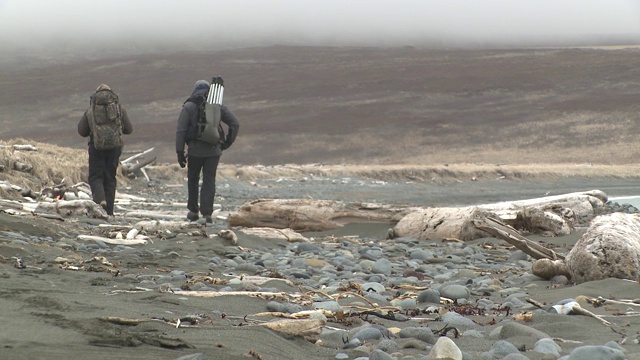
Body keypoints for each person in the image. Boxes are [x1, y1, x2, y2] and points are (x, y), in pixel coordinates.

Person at [175, 79, 239, 223]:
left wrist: (179, 152)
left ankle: (193, 211)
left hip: (194, 151)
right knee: (209, 180)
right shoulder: (217, 106)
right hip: (213, 151)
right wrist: (227, 142)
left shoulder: (189, 106)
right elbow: (235, 123)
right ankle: (207, 214)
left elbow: (181, 130)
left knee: (193, 179)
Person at [78, 84, 133, 216]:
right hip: (114, 149)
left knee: (96, 177)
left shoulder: (90, 111)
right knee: (110, 178)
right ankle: (110, 212)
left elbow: (82, 131)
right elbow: (129, 129)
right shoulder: (119, 109)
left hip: (96, 148)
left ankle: (100, 202)